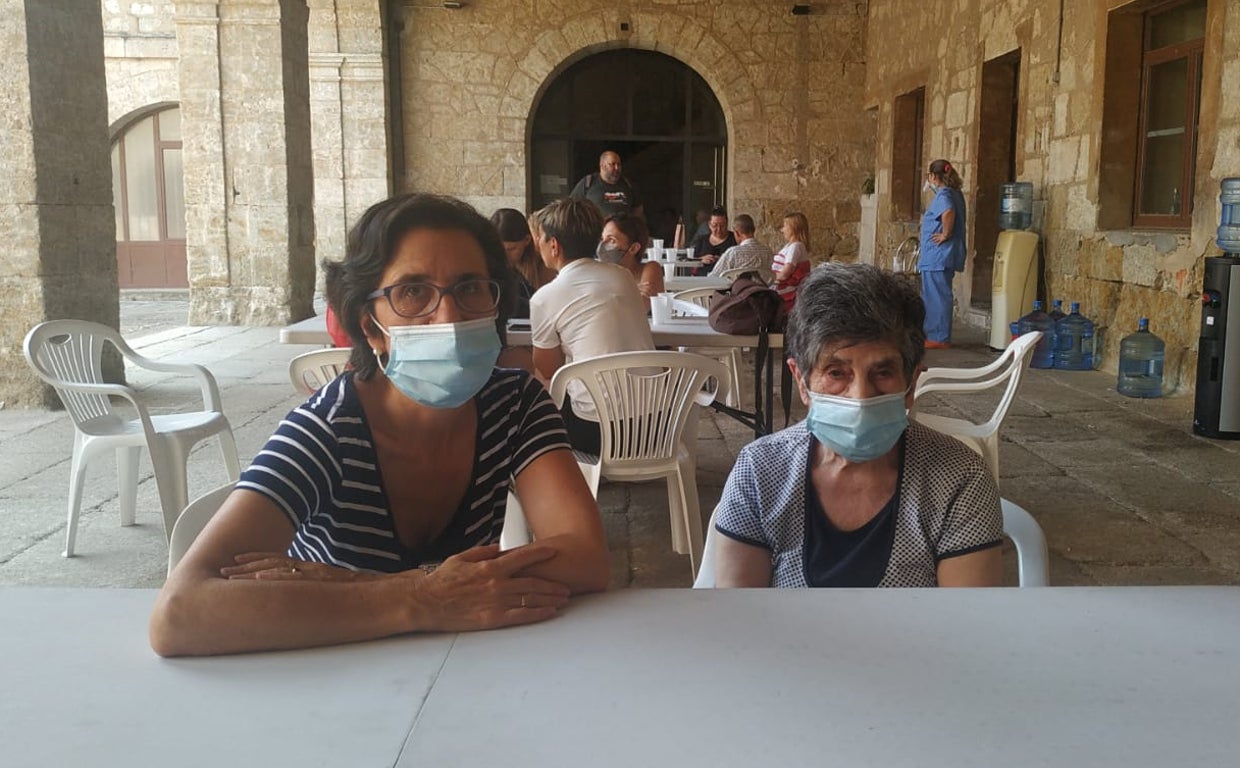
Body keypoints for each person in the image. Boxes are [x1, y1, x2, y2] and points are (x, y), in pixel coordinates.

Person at [150, 194, 610, 657]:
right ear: (371, 328)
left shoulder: (515, 404)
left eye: (470, 287)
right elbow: (180, 612)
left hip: (461, 673)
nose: (448, 318)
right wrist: (422, 597)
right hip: (334, 681)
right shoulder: (327, 431)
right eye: (412, 292)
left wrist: (365, 586)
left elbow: (586, 559)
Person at [713, 262, 1003, 588]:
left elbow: (965, 625)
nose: (860, 397)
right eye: (837, 373)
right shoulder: (760, 471)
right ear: (802, 381)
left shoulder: (959, 478)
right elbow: (740, 618)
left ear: (911, 385)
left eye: (883, 373)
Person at [529, 198, 654, 455]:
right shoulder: (623, 277)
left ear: (554, 245)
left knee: (532, 403)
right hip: (655, 426)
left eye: (539, 238)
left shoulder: (545, 298)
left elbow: (547, 369)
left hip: (597, 433)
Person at [919, 158, 968, 349]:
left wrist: (945, 234)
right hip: (943, 254)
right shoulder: (954, 192)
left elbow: (948, 211)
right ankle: (936, 334)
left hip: (937, 255)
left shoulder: (945, 195)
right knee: (937, 293)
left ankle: (938, 337)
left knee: (936, 295)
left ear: (933, 176)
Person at [490, 207, 554, 319]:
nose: (504, 256)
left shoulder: (545, 264)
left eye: (511, 249)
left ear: (527, 240)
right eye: (499, 249)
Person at [598, 211, 664, 307]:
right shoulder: (598, 271)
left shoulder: (650, 268)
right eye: (602, 239)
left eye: (611, 240)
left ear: (633, 248)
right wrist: (634, 291)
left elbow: (641, 305)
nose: (602, 245)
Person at [569, 150, 643, 218]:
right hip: (596, 231)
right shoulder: (588, 183)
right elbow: (570, 207)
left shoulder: (628, 184)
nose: (617, 168)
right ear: (602, 166)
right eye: (612, 164)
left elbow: (638, 211)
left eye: (619, 164)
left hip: (623, 231)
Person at [710, 213, 774, 282]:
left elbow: (714, 277)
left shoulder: (733, 252)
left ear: (737, 233)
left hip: (737, 292)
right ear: (754, 230)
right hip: (763, 291)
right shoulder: (768, 251)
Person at [772, 211, 812, 310]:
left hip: (786, 294)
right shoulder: (790, 246)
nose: (782, 230)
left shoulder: (796, 246)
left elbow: (785, 273)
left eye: (785, 226)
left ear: (794, 228)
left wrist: (768, 277)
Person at [688, 206, 737, 275]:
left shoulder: (734, 239)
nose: (719, 229)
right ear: (709, 225)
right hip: (703, 280)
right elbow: (691, 261)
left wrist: (723, 260)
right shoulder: (702, 240)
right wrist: (701, 260)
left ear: (727, 224)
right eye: (715, 225)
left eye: (722, 225)